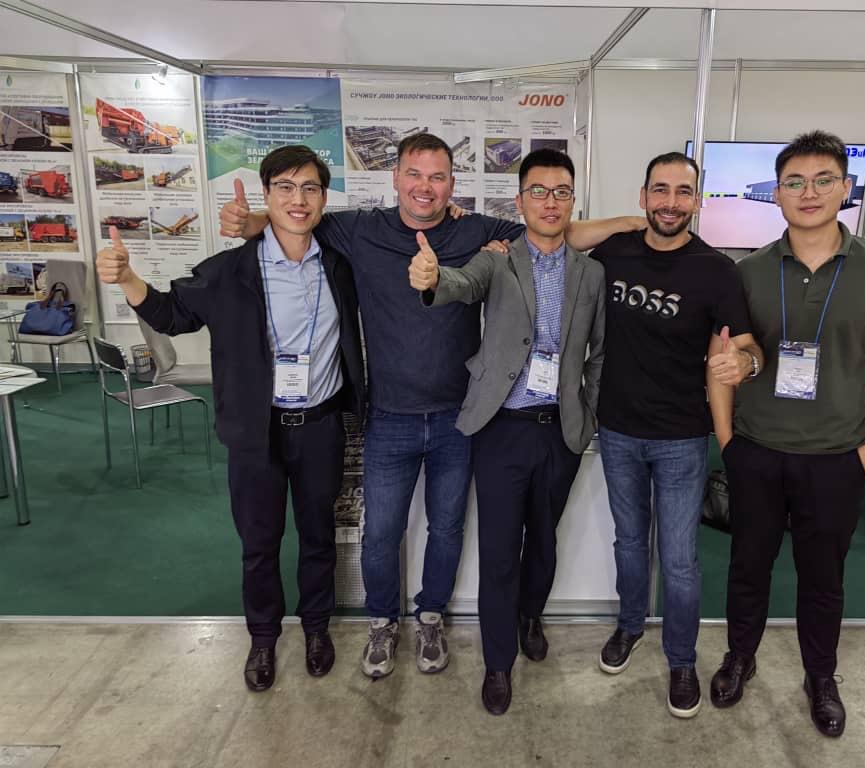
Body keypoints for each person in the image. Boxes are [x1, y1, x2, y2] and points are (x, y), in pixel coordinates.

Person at [220, 134, 641, 679]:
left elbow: (555, 231)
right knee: (380, 535)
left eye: (437, 177)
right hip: (388, 417)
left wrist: (630, 222)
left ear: (452, 185)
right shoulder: (361, 228)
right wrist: (250, 222)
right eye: (415, 175)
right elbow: (297, 220)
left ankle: (431, 616)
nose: (425, 187)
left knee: (446, 530)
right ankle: (381, 622)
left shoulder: (475, 231)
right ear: (395, 178)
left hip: (457, 418)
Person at [96, 145, 365, 692]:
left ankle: (316, 629)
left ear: (323, 198)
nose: (298, 199)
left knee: (319, 537)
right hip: (255, 432)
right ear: (267, 195)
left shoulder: (341, 265)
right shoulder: (229, 271)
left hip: (320, 426)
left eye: (309, 188)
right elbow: (171, 314)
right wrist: (126, 277)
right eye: (285, 187)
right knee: (259, 544)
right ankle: (263, 638)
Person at [706, 130, 865, 737]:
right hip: (757, 451)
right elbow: (726, 357)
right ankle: (740, 657)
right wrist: (727, 440)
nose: (809, 192)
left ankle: (820, 676)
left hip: (836, 458)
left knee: (824, 578)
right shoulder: (748, 271)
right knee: (748, 566)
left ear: (845, 189)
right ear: (776, 193)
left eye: (824, 180)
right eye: (794, 182)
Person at [409, 148, 605, 715]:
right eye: (538, 192)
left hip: (560, 431)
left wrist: (588, 414)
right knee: (498, 550)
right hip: (501, 428)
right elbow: (460, 284)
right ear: (519, 202)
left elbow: (600, 354)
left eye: (561, 192)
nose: (550, 202)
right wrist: (432, 279)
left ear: (572, 200)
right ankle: (498, 662)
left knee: (543, 541)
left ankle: (530, 615)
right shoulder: (496, 260)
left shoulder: (591, 273)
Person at [589, 152, 762, 719]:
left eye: (682, 192)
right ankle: (629, 626)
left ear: (698, 201)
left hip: (681, 438)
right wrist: (623, 222)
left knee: (681, 560)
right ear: (643, 197)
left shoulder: (716, 270)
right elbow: (561, 235)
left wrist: (744, 364)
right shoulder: (615, 250)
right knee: (629, 542)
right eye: (659, 191)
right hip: (617, 428)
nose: (670, 203)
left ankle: (682, 659)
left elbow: (745, 345)